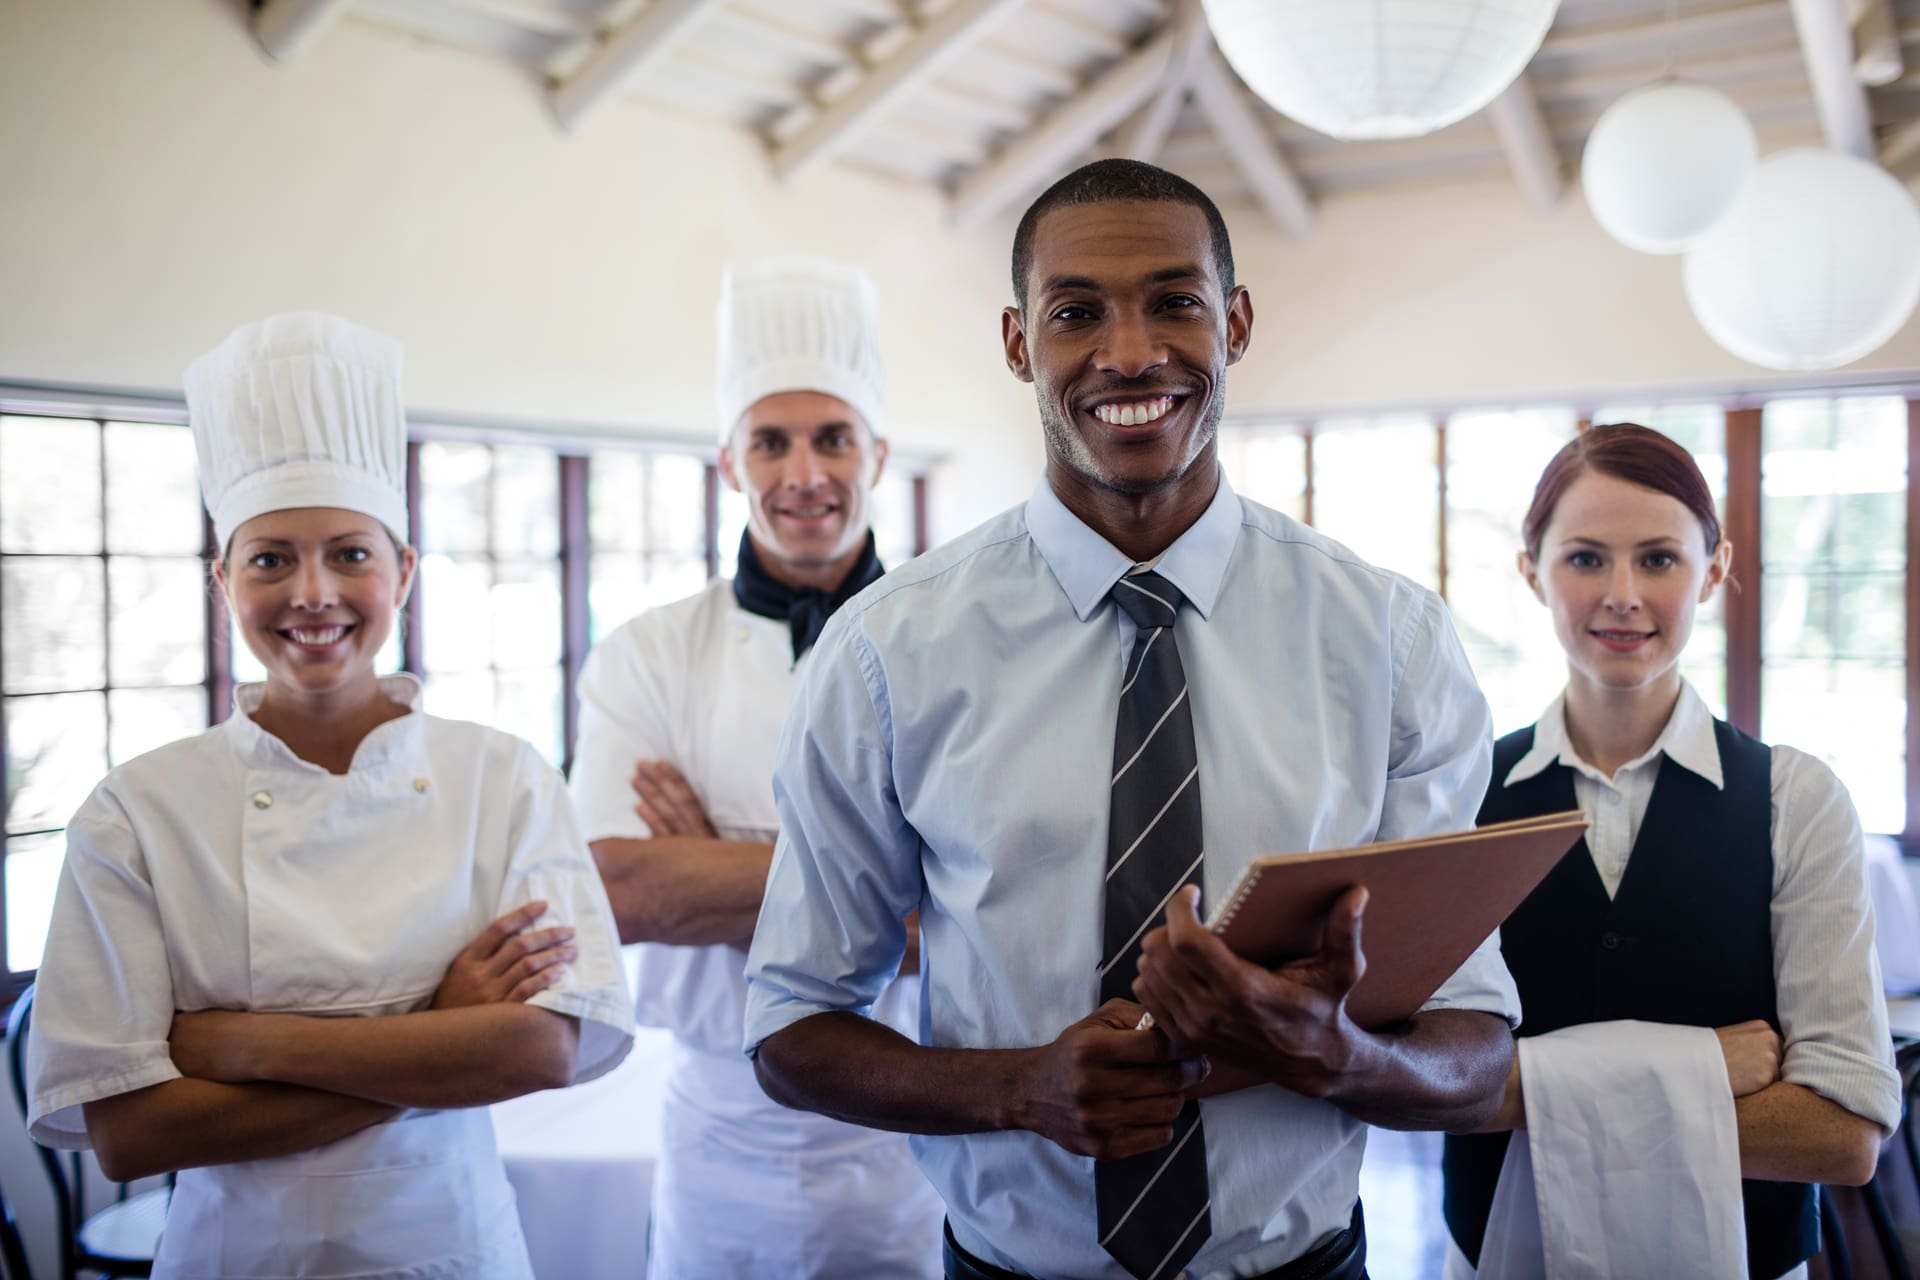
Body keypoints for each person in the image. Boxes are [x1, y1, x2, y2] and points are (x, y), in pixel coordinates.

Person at [742, 158, 1520, 1280]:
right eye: (1075, 314)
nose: (1130, 353)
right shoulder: (885, 653)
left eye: (1174, 301)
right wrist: (1017, 1085)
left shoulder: (1389, 642)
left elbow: (1477, 1048)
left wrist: (1337, 1054)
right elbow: (791, 1027)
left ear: (1236, 321)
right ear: (1019, 344)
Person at [26, 312, 634, 1279]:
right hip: (238, 1258)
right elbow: (133, 1132)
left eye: (351, 553)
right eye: (271, 558)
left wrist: (247, 1044)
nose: (314, 591)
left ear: (405, 573)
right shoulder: (136, 811)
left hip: (453, 1248)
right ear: (224, 580)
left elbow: (543, 1051)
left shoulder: (504, 776)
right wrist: (439, 1035)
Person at [1440, 423, 1901, 1280]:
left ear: (1716, 568)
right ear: (1530, 568)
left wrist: (1516, 1090)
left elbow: (1842, 1134)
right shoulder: (1456, 795)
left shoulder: (1795, 798)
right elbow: (1401, 1084)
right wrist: (1702, 1070)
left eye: (1658, 559)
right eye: (1584, 558)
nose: (1622, 595)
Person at [572, 257, 942, 1278]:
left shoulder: (956, 642)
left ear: (878, 450)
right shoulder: (647, 652)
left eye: (832, 437)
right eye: (770, 441)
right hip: (714, 1129)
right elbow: (621, 889)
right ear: (728, 460)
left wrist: (712, 863)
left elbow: (987, 915)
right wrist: (886, 885)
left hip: (912, 1126)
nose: (804, 473)